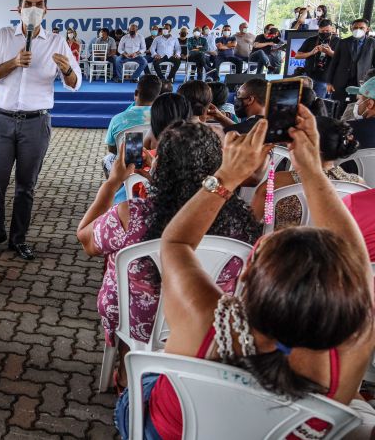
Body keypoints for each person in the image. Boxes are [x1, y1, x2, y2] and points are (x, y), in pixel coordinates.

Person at [114, 109, 375, 440]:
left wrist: (228, 174)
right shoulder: (351, 348)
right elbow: (358, 262)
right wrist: (311, 170)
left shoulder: (206, 323)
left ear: (247, 283)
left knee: (145, 383)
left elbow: (175, 241)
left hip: (166, 431)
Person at [78, 122, 261, 389]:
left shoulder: (133, 214)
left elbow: (86, 239)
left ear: (159, 164)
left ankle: (128, 368)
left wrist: (113, 181)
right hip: (205, 318)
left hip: (136, 319)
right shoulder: (241, 222)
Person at [0, 0, 81, 260]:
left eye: (38, 4)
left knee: (26, 185)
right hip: (1, 120)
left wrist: (67, 69)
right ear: (19, 8)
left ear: (46, 10)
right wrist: (12, 62)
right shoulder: (2, 37)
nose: (33, 8)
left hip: (36, 123)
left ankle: (18, 239)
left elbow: (75, 83)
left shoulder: (57, 42)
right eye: (28, 3)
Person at [252, 116, 362, 228]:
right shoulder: (359, 185)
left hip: (284, 244)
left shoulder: (278, 183)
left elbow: (251, 223)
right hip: (334, 245)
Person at [105, 75, 160, 153]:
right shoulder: (161, 119)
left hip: (124, 164)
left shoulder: (117, 119)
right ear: (157, 97)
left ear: (136, 93)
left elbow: (112, 149)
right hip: (151, 163)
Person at [326, 18, 375, 105]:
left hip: (361, 83)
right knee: (338, 107)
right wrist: (329, 82)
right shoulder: (343, 42)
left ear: (367, 29)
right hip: (341, 81)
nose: (358, 30)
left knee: (355, 108)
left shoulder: (372, 43)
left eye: (361, 28)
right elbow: (334, 63)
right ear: (351, 28)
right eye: (355, 27)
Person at [294, 19, 338, 98]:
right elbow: (297, 56)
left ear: (332, 29)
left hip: (325, 78)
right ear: (318, 29)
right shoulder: (311, 40)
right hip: (309, 75)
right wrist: (311, 52)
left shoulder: (338, 41)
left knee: (319, 101)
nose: (325, 33)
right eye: (322, 31)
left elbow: (342, 58)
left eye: (327, 30)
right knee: (304, 99)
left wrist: (330, 52)